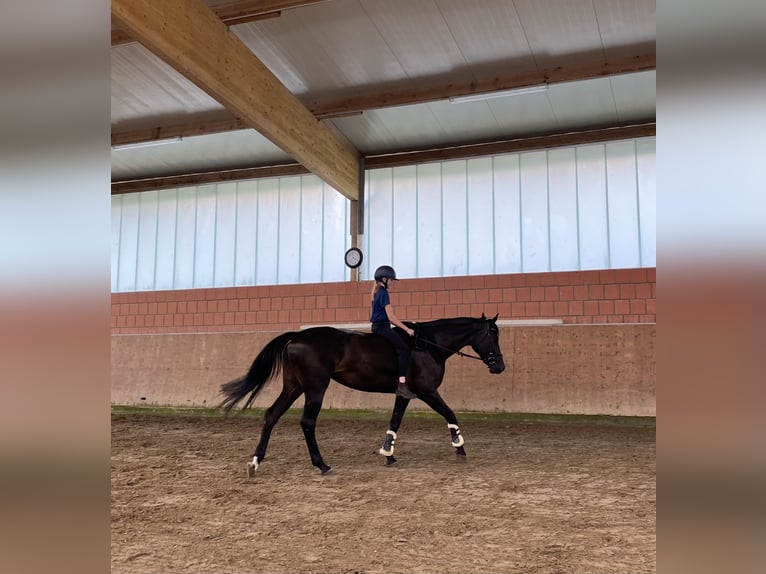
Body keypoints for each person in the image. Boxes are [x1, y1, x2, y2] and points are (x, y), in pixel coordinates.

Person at [370, 265, 417, 400]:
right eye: (391, 280)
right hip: (383, 327)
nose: (392, 283)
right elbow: (391, 317)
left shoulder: (377, 292)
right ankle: (402, 384)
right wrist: (407, 329)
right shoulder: (384, 293)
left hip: (378, 326)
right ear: (384, 279)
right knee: (404, 349)